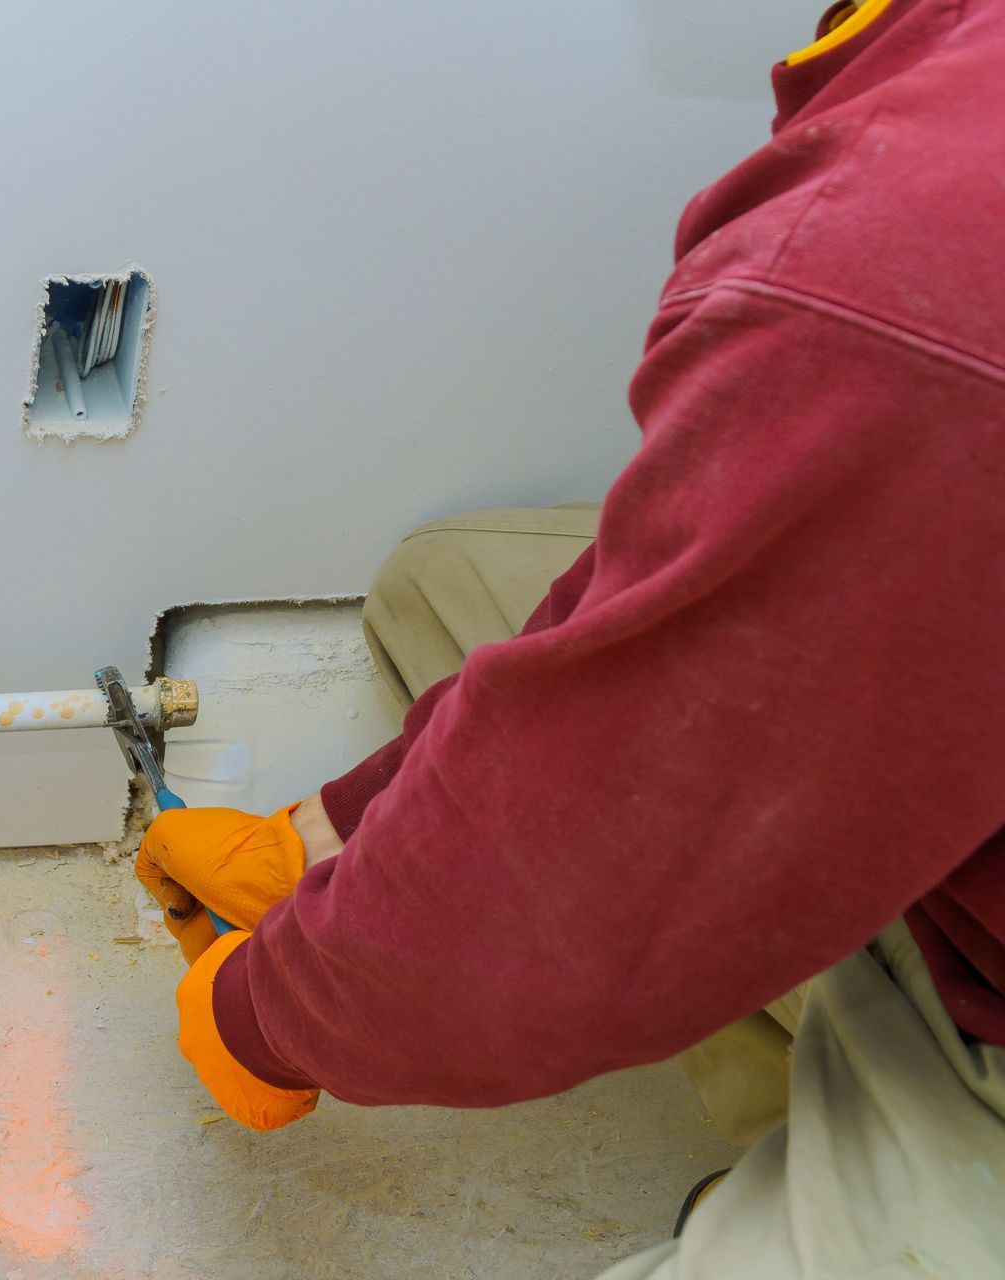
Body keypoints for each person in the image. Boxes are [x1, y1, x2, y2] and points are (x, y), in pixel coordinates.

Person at [134, 2, 1005, 1274]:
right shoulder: (936, 70)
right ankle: (808, 1143)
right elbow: (692, 570)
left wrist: (263, 1008)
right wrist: (325, 833)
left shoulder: (902, 245)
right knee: (448, 587)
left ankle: (878, 1191)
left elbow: (592, 863)